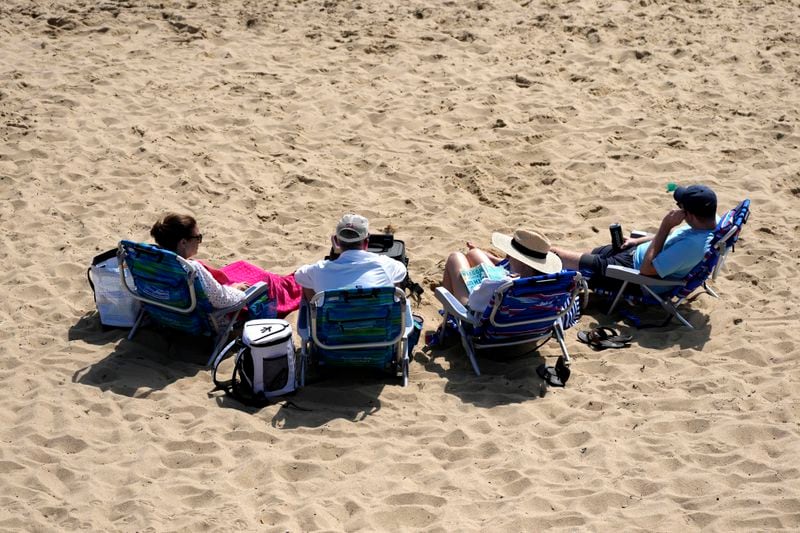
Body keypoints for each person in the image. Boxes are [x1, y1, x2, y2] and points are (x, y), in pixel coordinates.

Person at [549, 184, 718, 292]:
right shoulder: (710, 221)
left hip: (633, 275)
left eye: (681, 207)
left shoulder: (692, 246)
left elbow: (647, 270)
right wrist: (636, 241)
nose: (678, 210)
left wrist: (665, 226)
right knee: (582, 256)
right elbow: (671, 238)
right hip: (634, 253)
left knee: (555, 255)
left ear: (692, 215)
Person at [149, 213, 302, 315]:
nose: (199, 242)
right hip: (212, 311)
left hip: (173, 306)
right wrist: (235, 289)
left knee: (242, 266)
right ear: (183, 242)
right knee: (267, 282)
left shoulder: (153, 261)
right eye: (198, 237)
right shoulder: (190, 269)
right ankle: (296, 285)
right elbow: (221, 300)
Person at [441, 228, 563, 311]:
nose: (508, 257)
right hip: (530, 327)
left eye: (510, 255)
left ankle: (447, 319)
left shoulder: (503, 286)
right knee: (475, 253)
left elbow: (474, 303)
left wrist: (479, 283)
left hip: (483, 324)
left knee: (455, 258)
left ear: (520, 261)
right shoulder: (555, 285)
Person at [294, 213, 407, 300]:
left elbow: (299, 275)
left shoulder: (319, 270)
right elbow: (401, 271)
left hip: (334, 329)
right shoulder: (385, 264)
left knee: (308, 283)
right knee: (394, 282)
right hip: (380, 328)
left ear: (336, 242)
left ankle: (316, 313)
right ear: (366, 242)